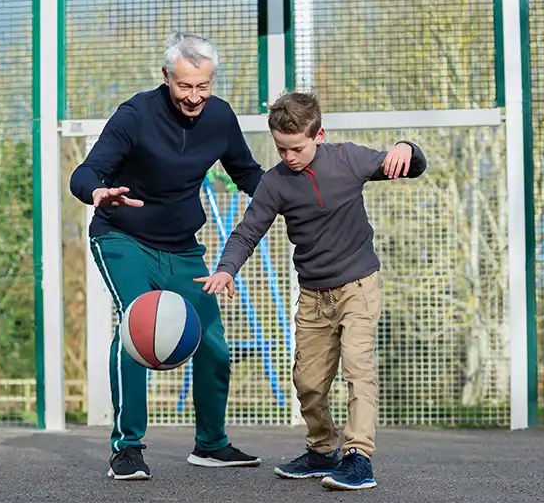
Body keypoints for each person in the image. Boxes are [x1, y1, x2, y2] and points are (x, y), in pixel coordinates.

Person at [195, 91, 427, 491]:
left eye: (296, 147)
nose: (288, 156)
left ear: (318, 135)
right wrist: (226, 268)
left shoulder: (348, 159)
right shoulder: (275, 183)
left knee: (358, 367)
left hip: (358, 286)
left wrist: (408, 147)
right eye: (280, 148)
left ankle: (358, 456)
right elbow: (248, 231)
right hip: (314, 297)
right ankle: (322, 450)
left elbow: (410, 166)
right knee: (308, 381)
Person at [69, 32, 265, 480]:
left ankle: (211, 444)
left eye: (203, 86)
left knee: (213, 341)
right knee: (136, 328)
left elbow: (247, 173)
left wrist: (292, 194)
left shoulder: (219, 118)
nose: (194, 97)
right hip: (122, 238)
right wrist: (98, 192)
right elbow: (86, 172)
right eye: (184, 87)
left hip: (182, 246)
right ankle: (127, 448)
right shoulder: (134, 115)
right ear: (166, 78)